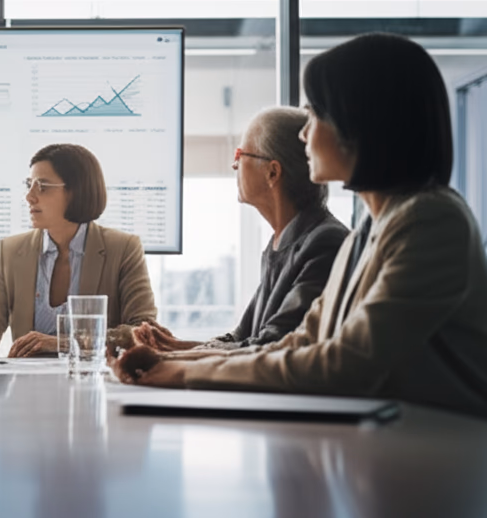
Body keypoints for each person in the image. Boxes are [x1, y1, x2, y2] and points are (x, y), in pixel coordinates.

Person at [115, 33, 487, 418]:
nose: (305, 134)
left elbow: (346, 363)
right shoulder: (364, 235)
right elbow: (299, 343)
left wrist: (180, 372)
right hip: (393, 444)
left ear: (361, 124)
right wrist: (177, 365)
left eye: (315, 116)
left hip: (441, 453)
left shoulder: (430, 222)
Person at [131, 107, 348, 352]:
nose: (234, 165)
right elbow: (242, 338)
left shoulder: (325, 243)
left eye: (240, 154)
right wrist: (177, 348)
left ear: (272, 172)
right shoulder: (281, 242)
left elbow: (271, 345)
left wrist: (175, 359)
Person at [0, 143, 157, 357]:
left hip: (95, 385)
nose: (29, 196)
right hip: (29, 388)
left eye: (42, 186)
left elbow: (145, 333)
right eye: (29, 184)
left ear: (77, 191)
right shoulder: (10, 252)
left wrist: (61, 344)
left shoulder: (123, 248)